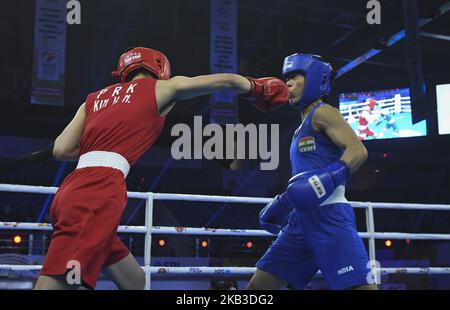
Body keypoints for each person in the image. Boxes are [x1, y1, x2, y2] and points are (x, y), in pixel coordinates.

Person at [34, 46, 289, 290]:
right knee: (64, 279)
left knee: (134, 282)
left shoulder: (92, 100)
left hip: (71, 189)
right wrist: (257, 88)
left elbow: (61, 149)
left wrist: (101, 147)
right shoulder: (161, 88)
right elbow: (227, 81)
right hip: (96, 193)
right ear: (159, 67)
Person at [247, 53, 377, 290]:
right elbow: (306, 179)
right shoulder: (300, 127)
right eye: (286, 78)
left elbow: (358, 150)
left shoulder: (324, 113)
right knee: (258, 289)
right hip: (299, 222)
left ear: (316, 79)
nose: (287, 83)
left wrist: (328, 180)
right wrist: (285, 201)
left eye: (295, 77)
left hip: (329, 216)